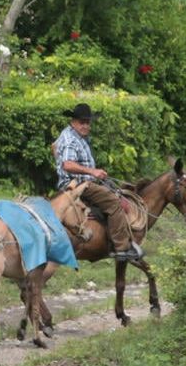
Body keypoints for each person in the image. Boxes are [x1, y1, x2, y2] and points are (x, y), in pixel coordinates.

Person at [53, 103, 136, 260]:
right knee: (113, 202)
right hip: (78, 186)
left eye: (88, 122)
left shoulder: (74, 135)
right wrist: (92, 171)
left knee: (116, 191)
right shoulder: (71, 139)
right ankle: (121, 247)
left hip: (85, 181)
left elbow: (54, 147)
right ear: (74, 121)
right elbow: (67, 164)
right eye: (82, 122)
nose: (85, 126)